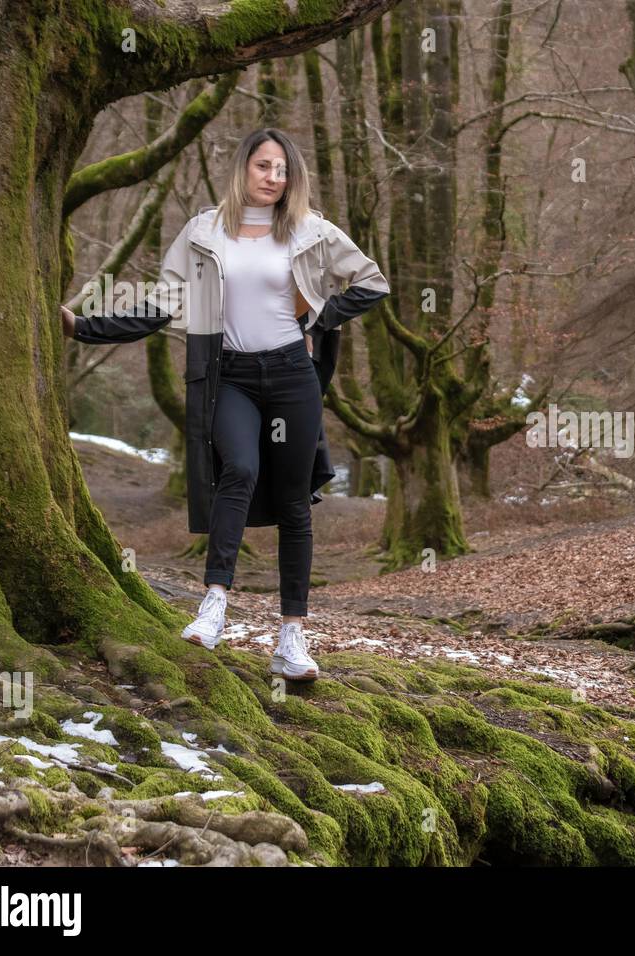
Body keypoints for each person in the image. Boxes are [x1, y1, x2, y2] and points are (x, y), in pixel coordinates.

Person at [60, 128, 390, 680]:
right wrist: (84, 327)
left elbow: (372, 283)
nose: (274, 179)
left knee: (292, 502)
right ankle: (214, 604)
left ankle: (291, 639)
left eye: (283, 171)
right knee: (237, 469)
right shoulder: (203, 232)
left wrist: (318, 315)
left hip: (291, 375)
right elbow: (162, 303)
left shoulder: (309, 231)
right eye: (264, 167)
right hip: (231, 376)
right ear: (242, 168)